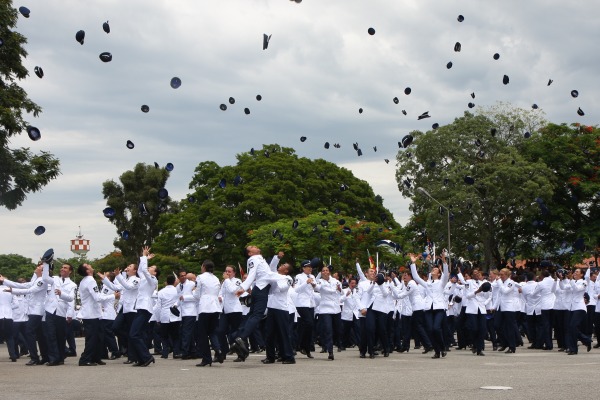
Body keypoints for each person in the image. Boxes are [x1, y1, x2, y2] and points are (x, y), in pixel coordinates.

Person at [231, 247, 280, 361]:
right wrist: (243, 288)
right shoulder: (253, 259)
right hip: (261, 289)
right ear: (250, 253)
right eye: (252, 247)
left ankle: (237, 337)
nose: (255, 246)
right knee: (257, 315)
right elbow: (252, 274)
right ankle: (242, 338)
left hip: (260, 288)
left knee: (251, 315)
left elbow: (268, 273)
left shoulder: (259, 258)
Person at [1, 263, 48, 365]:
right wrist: (4, 280)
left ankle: (35, 357)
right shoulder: (37, 280)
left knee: (29, 332)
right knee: (40, 335)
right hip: (33, 311)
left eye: (39, 267)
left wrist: (12, 290)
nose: (36, 268)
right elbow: (22, 285)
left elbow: (30, 290)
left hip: (37, 310)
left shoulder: (42, 281)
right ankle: (44, 356)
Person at [410, 252, 449, 358]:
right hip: (428, 308)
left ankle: (442, 347)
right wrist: (413, 264)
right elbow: (416, 277)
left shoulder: (441, 282)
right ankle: (437, 351)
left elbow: (446, 275)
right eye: (433, 269)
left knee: (436, 328)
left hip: (439, 308)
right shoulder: (427, 283)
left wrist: (444, 263)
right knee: (430, 330)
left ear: (439, 273)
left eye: (435, 269)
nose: (433, 270)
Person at [41, 261, 77, 365]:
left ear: (70, 271)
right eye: (62, 267)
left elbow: (71, 299)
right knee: (50, 335)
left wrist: (62, 294)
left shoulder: (72, 284)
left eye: (65, 268)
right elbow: (45, 278)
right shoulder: (55, 279)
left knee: (61, 336)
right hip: (50, 310)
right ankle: (53, 358)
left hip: (61, 311)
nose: (62, 269)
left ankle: (60, 357)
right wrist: (46, 263)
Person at [128, 246, 158, 367]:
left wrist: (145, 257)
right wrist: (144, 258)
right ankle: (142, 358)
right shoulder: (146, 279)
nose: (149, 268)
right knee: (136, 334)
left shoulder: (153, 280)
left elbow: (144, 271)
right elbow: (141, 270)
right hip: (141, 307)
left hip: (145, 308)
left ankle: (146, 357)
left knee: (134, 334)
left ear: (155, 273)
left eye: (151, 268)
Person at [262, 262, 296, 364]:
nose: (280, 266)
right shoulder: (276, 276)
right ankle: (270, 356)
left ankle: (289, 357)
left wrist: (275, 276)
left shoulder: (288, 278)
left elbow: (282, 288)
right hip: (272, 306)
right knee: (269, 333)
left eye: (283, 266)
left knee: (283, 334)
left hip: (281, 308)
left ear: (286, 271)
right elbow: (271, 267)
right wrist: (276, 258)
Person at [194, 259, 223, 367]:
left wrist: (193, 294)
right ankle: (218, 349)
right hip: (215, 306)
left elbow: (197, 294)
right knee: (212, 331)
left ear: (204, 267)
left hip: (205, 307)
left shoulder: (200, 277)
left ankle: (206, 358)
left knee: (202, 334)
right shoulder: (215, 278)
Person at [76, 263, 105, 366]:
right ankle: (85, 359)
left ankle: (95, 357)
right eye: (87, 265)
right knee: (92, 338)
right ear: (87, 271)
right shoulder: (90, 280)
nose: (90, 265)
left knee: (97, 337)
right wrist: (112, 296)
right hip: (91, 314)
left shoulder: (85, 280)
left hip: (93, 313)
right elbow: (97, 297)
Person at [559, 268, 592, 355]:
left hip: (580, 307)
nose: (575, 273)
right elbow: (563, 287)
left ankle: (574, 348)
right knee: (570, 328)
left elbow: (577, 289)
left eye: (577, 272)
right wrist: (561, 280)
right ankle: (586, 340)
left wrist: (571, 280)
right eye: (574, 272)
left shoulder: (584, 282)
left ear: (581, 274)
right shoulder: (572, 282)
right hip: (572, 307)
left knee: (573, 326)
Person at [316, 264, 343, 360]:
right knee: (328, 330)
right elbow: (317, 288)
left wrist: (339, 289)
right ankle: (330, 351)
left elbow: (341, 292)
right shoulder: (320, 281)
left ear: (329, 272)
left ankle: (337, 344)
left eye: (326, 270)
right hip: (325, 309)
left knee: (338, 330)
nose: (325, 272)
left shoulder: (335, 281)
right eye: (323, 271)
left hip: (336, 309)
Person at [216, 265, 243, 358]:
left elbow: (232, 291)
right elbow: (221, 293)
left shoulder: (237, 281)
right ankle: (223, 352)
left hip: (235, 310)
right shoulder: (224, 282)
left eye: (229, 271)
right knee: (220, 331)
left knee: (234, 333)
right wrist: (220, 297)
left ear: (234, 273)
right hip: (224, 309)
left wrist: (227, 280)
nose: (227, 273)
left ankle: (241, 353)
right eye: (226, 271)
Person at [293, 259, 318, 359]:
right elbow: (296, 289)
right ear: (303, 268)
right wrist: (306, 283)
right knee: (309, 323)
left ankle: (306, 347)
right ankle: (301, 345)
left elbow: (315, 288)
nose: (310, 269)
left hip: (311, 304)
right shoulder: (299, 277)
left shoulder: (312, 276)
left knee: (308, 326)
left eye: (311, 267)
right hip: (302, 303)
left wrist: (314, 284)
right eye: (308, 267)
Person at [154, 274, 181, 359]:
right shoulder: (177, 291)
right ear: (174, 282)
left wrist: (157, 318)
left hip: (164, 315)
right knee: (175, 335)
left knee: (164, 336)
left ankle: (165, 352)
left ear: (166, 282)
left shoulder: (161, 292)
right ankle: (176, 352)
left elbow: (158, 307)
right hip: (175, 315)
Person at [96, 271, 121, 359]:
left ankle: (115, 351)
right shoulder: (105, 286)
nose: (102, 276)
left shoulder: (107, 287)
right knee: (104, 335)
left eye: (105, 275)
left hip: (108, 314)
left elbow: (101, 299)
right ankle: (104, 353)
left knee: (108, 335)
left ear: (108, 278)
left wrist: (97, 296)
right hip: (105, 314)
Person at [176, 269, 197, 360]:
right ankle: (192, 352)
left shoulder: (192, 284)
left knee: (186, 332)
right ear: (178, 277)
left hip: (191, 311)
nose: (184, 277)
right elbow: (178, 299)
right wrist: (175, 306)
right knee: (189, 333)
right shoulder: (178, 286)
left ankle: (185, 352)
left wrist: (184, 297)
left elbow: (196, 297)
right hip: (183, 312)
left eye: (185, 275)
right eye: (181, 275)